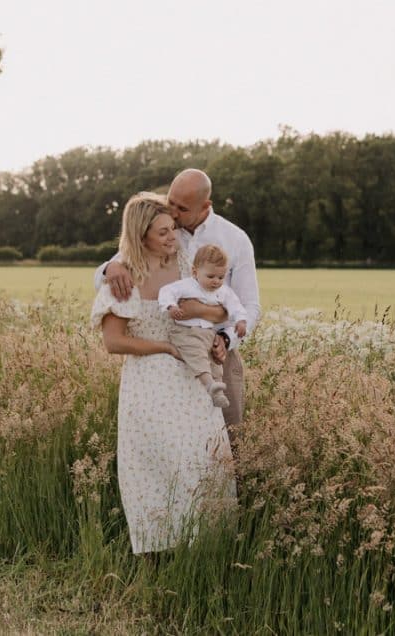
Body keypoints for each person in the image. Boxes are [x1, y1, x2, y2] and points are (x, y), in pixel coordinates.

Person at [90, 192, 235, 554]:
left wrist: (215, 336)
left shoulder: (188, 263)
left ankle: (208, 549)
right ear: (141, 237)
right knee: (157, 466)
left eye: (173, 229)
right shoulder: (124, 276)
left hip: (193, 381)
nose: (173, 238)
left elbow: (222, 311)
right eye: (163, 233)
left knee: (202, 461)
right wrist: (166, 347)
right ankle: (158, 554)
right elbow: (114, 341)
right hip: (149, 384)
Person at [97, 168, 260, 431]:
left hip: (219, 353)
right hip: (169, 355)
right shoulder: (163, 227)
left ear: (205, 205)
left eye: (181, 208)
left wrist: (227, 339)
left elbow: (250, 305)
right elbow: (122, 267)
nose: (172, 212)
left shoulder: (235, 240)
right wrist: (109, 268)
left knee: (227, 437)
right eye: (170, 201)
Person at [158, 244, 248, 409]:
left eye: (221, 277)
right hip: (186, 332)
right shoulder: (186, 285)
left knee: (215, 361)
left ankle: (218, 392)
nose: (216, 281)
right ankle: (209, 384)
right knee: (197, 354)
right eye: (211, 276)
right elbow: (166, 291)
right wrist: (171, 306)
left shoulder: (224, 292)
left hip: (208, 333)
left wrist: (241, 320)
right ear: (195, 272)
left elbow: (236, 306)